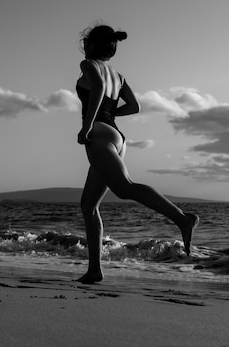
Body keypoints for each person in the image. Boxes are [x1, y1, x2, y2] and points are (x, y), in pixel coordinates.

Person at [75, 24, 199, 284]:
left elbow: (96, 89)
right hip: (116, 136)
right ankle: (95, 270)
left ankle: (182, 218)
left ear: (91, 44)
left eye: (86, 43)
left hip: (98, 134)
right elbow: (134, 106)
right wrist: (109, 115)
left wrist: (87, 125)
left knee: (124, 187)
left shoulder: (89, 66)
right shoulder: (119, 76)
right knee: (88, 205)